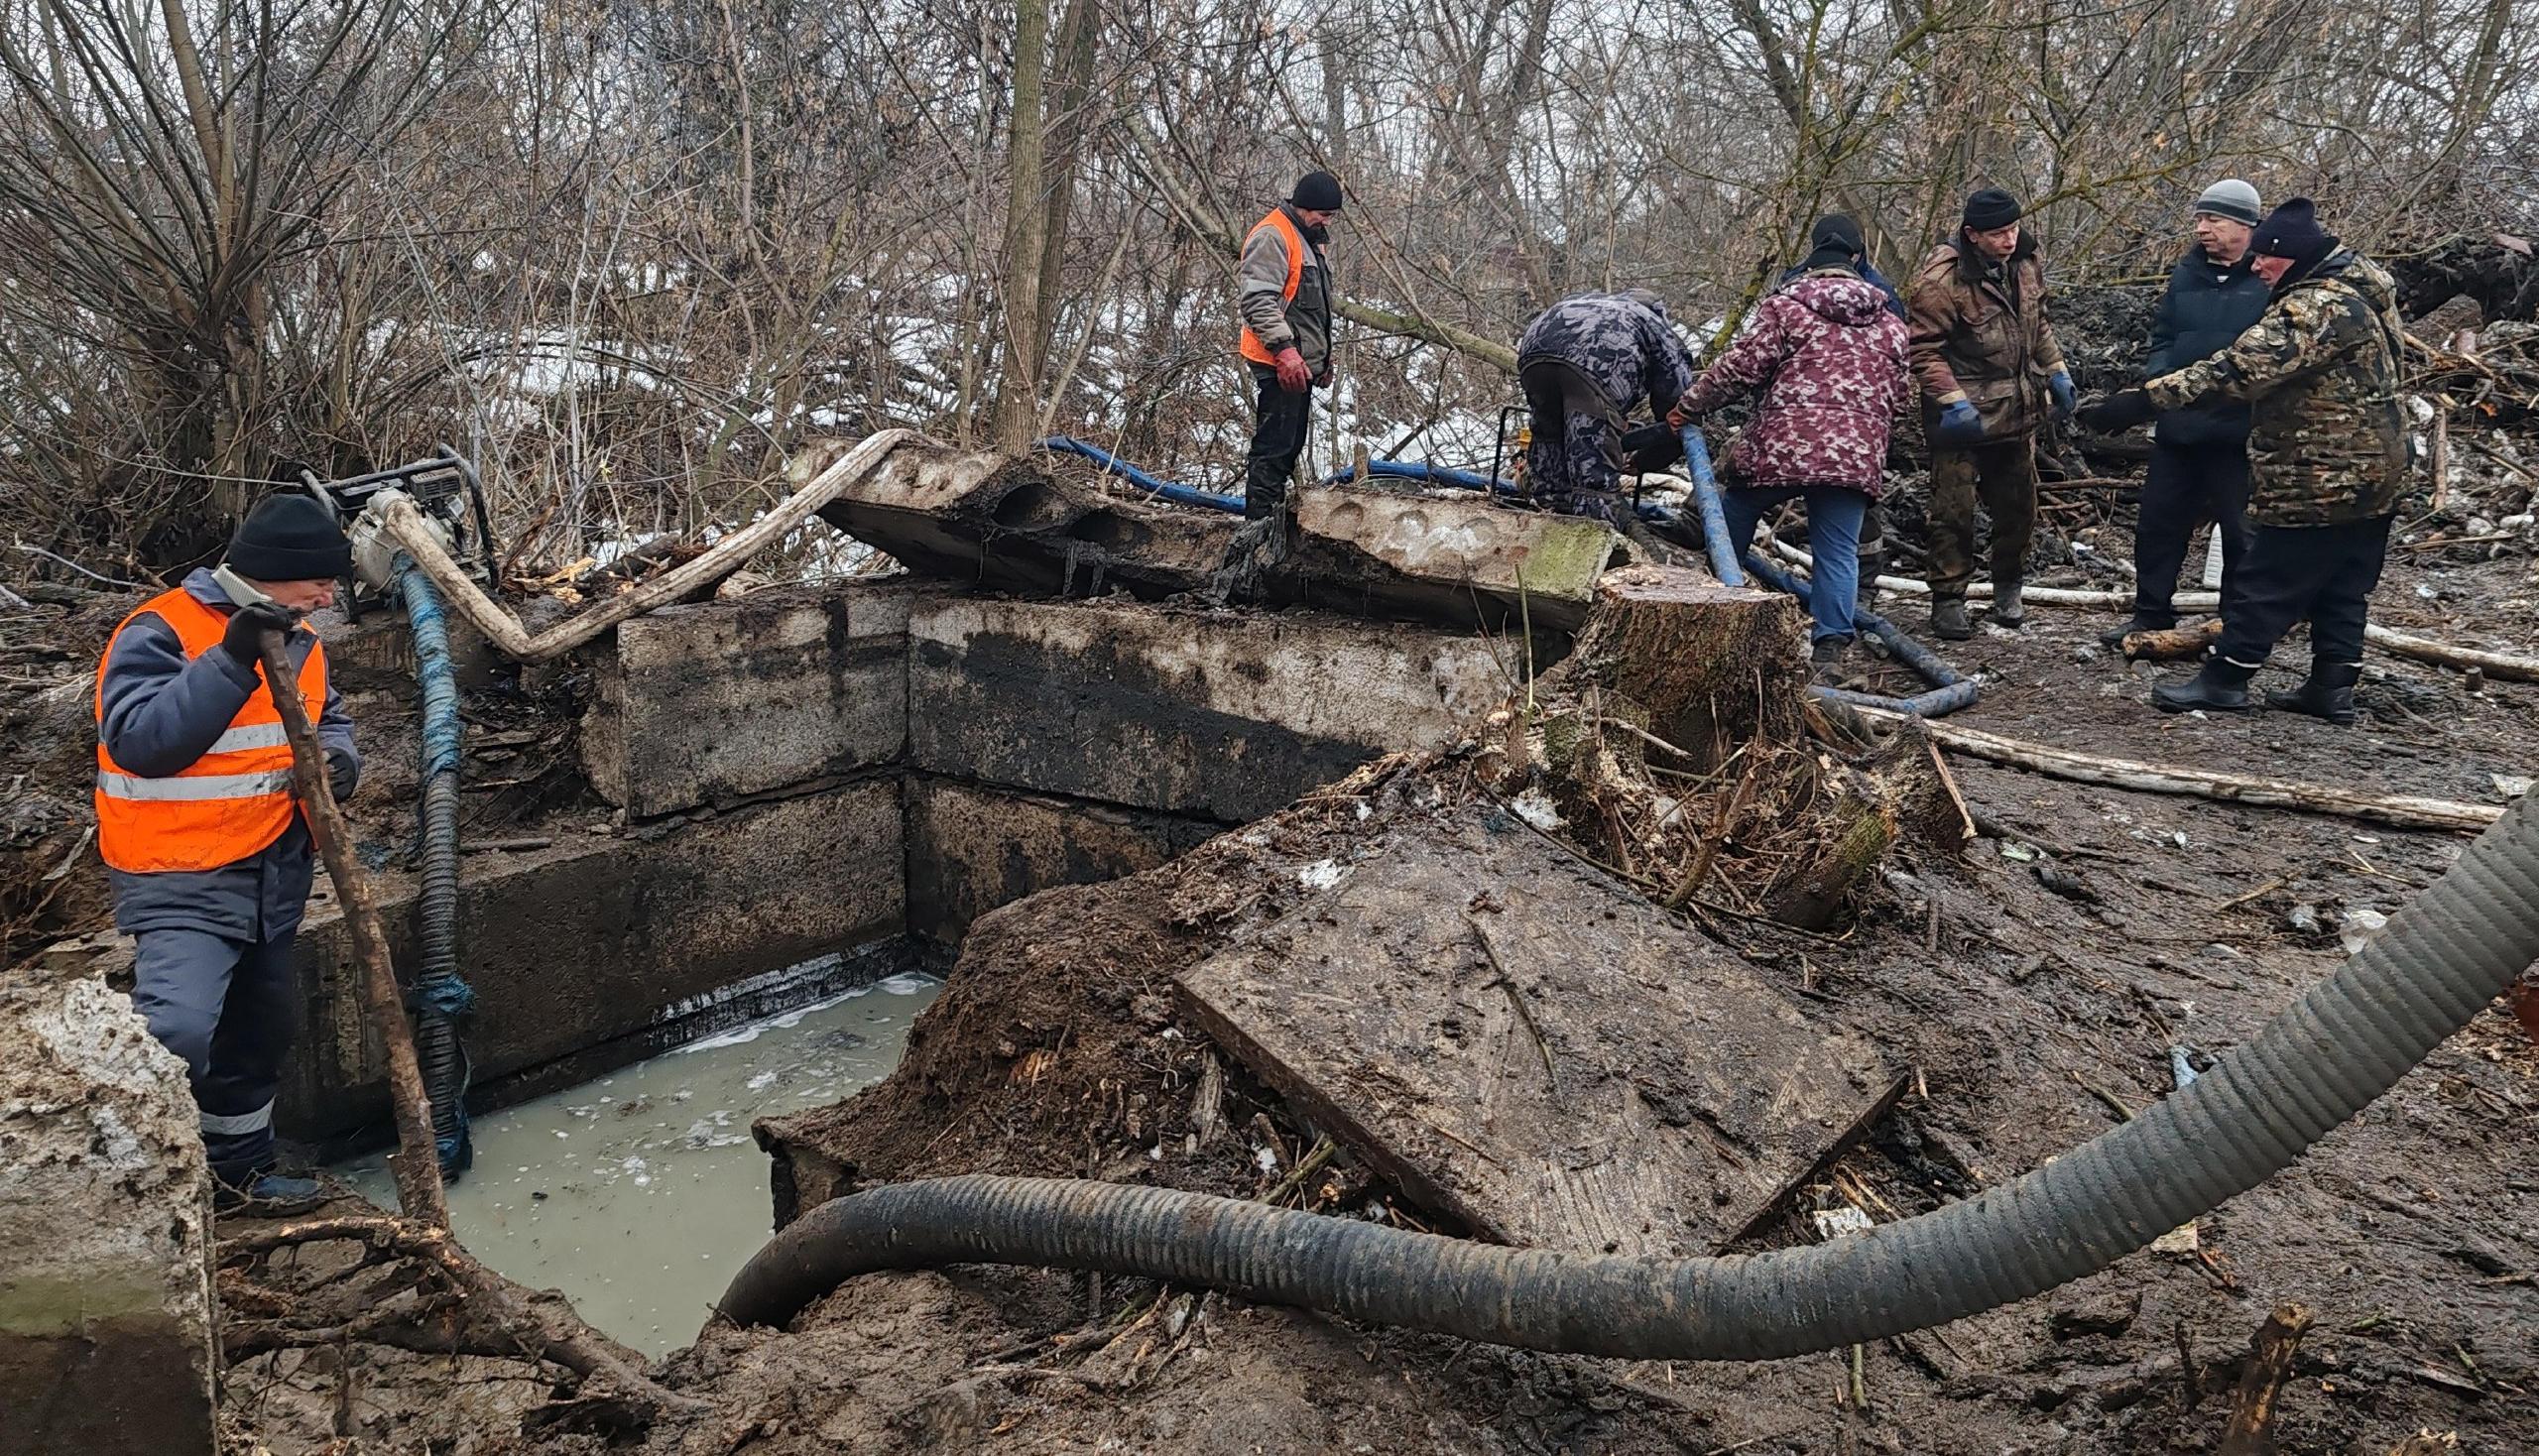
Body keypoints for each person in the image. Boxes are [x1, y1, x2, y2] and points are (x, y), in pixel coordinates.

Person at [94, 494, 361, 1208]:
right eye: (321, 580)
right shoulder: (157, 630)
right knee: (176, 1027)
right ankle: (135, 1191)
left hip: (273, 869)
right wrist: (233, 657)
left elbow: (325, 718)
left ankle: (236, 1177)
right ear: (275, 572)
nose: (331, 594)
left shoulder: (303, 635)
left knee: (258, 1032)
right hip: (180, 870)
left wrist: (339, 761)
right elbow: (144, 742)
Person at [2079, 198, 2408, 724]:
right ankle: (2331, 687)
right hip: (2378, 468)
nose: (2256, 268)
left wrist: (2140, 401)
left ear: (2291, 256)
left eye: (2265, 259)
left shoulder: (2315, 307)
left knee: (2270, 576)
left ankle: (2225, 679)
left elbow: (2237, 369)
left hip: (2324, 470)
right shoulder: (2362, 288)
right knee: (2344, 582)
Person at [1669, 216, 1914, 668]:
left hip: (1783, 448)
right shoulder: (1893, 325)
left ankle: (1716, 610)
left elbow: (1739, 370)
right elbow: (1900, 398)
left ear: (1811, 262)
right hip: (1853, 458)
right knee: (1838, 549)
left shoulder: (1785, 307)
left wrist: (1689, 406)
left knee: (1733, 513)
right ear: (1857, 263)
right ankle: (1830, 652)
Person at [2100, 179, 2271, 646]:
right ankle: (2150, 614)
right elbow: (2164, 336)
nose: (2201, 229)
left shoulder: (2267, 280)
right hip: (2178, 430)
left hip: (2239, 434)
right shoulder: (2186, 273)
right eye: (2199, 219)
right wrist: (2158, 381)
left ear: (2244, 225)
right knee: (2158, 524)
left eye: (2212, 219)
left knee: (2241, 534)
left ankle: (2234, 625)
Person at [1906, 187, 2074, 639]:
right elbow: (1923, 351)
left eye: (2013, 229)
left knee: (2019, 508)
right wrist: (1951, 399)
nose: (2008, 239)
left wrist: (2056, 370)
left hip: (2018, 411)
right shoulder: (1942, 282)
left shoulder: (2025, 263)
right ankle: (1948, 599)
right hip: (1962, 419)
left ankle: (2008, 589)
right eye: (1998, 233)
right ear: (1972, 235)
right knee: (1953, 513)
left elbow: (2037, 324)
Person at [1778, 214, 1903, 614]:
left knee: (1853, 512)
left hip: (1817, 412)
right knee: (1851, 508)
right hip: (1851, 419)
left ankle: (1859, 591)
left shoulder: (1798, 285)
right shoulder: (1881, 295)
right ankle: (1849, 601)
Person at [1513, 289, 1695, 524]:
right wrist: (1644, 462)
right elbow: (1678, 409)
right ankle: (1592, 539)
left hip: (1534, 351)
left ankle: (1546, 518)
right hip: (1595, 365)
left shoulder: (1588, 301)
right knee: (1593, 476)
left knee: (1550, 440)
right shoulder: (1652, 322)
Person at [1236, 171, 1342, 519]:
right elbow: (1257, 302)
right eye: (1324, 215)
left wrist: (1320, 359)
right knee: (1273, 449)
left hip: (1299, 363)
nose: (1327, 222)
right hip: (1277, 362)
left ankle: (1272, 523)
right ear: (1305, 206)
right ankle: (1257, 531)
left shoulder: (1310, 239)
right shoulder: (1273, 235)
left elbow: (1312, 308)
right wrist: (1285, 352)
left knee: (1289, 446)